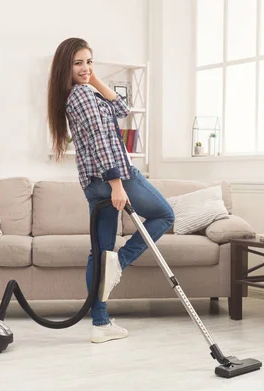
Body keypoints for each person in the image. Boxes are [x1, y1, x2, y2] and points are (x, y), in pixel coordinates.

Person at [47, 38, 175, 343]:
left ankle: (100, 324)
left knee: (101, 252)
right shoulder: (84, 97)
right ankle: (123, 261)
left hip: (92, 183)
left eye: (89, 61)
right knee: (165, 215)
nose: (85, 68)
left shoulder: (76, 96)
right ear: (66, 66)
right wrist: (118, 184)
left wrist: (92, 77)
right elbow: (104, 142)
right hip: (114, 176)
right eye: (78, 63)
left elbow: (121, 108)